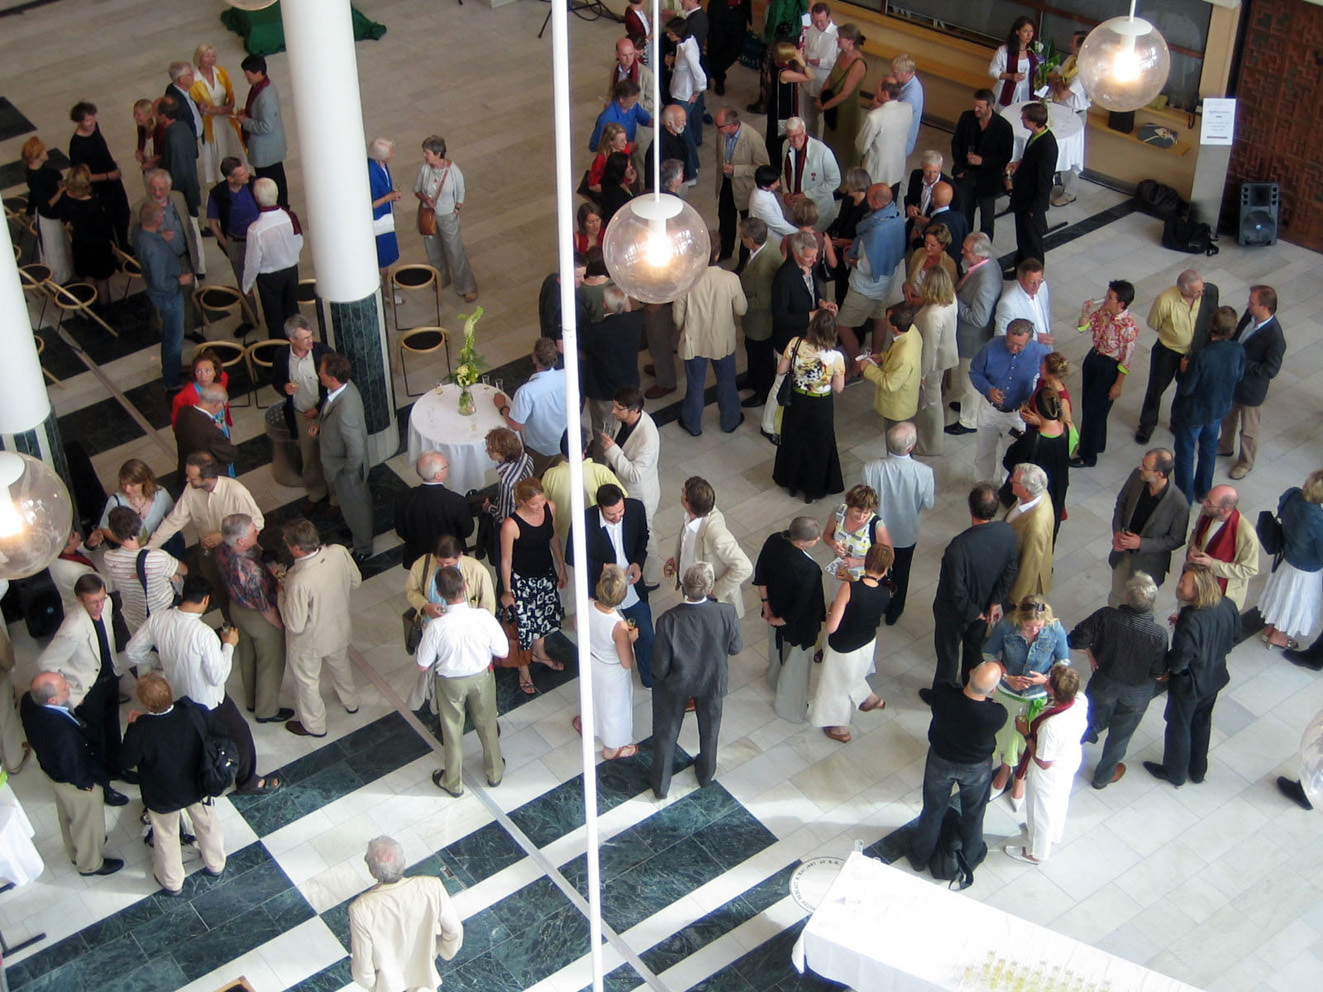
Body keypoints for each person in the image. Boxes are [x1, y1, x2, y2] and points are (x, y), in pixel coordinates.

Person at [126, 574, 278, 796]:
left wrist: (157, 662)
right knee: (241, 734)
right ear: (206, 600)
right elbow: (217, 677)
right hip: (209, 702)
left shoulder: (158, 619)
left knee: (194, 742)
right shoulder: (203, 634)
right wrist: (228, 645)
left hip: (177, 697)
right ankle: (247, 781)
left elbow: (132, 651)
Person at [121, 672, 228, 894]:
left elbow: (126, 760)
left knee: (166, 835)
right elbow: (218, 732)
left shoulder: (141, 729)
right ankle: (216, 863)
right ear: (170, 692)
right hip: (199, 783)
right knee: (207, 823)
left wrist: (131, 726)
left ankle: (172, 881)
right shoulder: (194, 712)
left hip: (163, 794)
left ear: (145, 702)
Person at [650, 563, 743, 798]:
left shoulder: (667, 620)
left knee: (666, 734)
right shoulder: (726, 613)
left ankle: (661, 786)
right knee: (710, 731)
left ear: (683, 585)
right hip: (712, 681)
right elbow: (735, 648)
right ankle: (705, 775)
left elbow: (660, 666)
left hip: (676, 684)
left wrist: (656, 680)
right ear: (710, 587)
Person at [907, 661, 1007, 876]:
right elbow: (994, 706)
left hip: (940, 761)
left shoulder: (943, 694)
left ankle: (919, 856)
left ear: (970, 672)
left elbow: (945, 682)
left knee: (933, 810)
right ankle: (971, 855)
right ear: (992, 690)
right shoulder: (996, 714)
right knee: (974, 812)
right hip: (976, 768)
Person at [20, 672, 125, 876]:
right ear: (52, 699)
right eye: (64, 687)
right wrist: (87, 785)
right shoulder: (62, 733)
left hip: (54, 773)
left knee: (68, 816)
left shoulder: (29, 701)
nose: (69, 686)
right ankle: (90, 864)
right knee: (87, 823)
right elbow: (73, 765)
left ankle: (75, 851)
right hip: (76, 782)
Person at [1071, 571, 1169, 789]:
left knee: (1083, 723)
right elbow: (1158, 671)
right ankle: (1103, 776)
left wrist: (1090, 652)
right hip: (1137, 695)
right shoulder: (1158, 634)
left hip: (1104, 684)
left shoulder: (1107, 616)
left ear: (1127, 598)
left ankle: (1064, 759)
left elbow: (1075, 639)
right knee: (1120, 737)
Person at [1144, 564, 1239, 787]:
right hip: (1214, 677)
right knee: (1202, 721)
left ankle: (1174, 772)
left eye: (1183, 584)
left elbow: (1179, 660)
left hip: (1189, 685)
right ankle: (1198, 770)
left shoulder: (1191, 620)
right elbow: (1233, 637)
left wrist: (1168, 669)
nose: (1178, 586)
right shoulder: (1227, 605)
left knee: (1179, 725)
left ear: (1197, 590)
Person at [416, 566, 507, 796]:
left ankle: (453, 782)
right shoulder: (483, 617)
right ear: (465, 586)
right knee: (487, 724)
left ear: (439, 592)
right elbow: (503, 651)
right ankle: (494, 771)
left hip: (450, 683)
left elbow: (422, 664)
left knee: (452, 730)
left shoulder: (436, 626)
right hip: (482, 677)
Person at [37, 574, 129, 794]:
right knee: (96, 741)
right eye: (93, 602)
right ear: (80, 600)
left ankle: (117, 769)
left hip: (109, 678)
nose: (99, 606)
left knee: (113, 728)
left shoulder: (105, 606)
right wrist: (71, 693)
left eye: (102, 599)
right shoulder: (72, 628)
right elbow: (46, 664)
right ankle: (104, 786)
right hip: (88, 691)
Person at [925, 485, 1018, 703]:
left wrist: (972, 612)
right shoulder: (1006, 532)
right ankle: (971, 688)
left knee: (948, 655)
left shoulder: (958, 547)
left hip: (955, 613)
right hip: (986, 607)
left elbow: (955, 589)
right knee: (974, 649)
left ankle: (943, 696)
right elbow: (1010, 569)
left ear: (970, 509)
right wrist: (995, 602)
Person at [149, 452, 265, 621]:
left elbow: (258, 521)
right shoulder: (191, 490)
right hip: (209, 553)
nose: (187, 480)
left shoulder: (235, 491)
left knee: (243, 592)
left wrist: (224, 536)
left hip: (237, 554)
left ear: (208, 477)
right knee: (219, 591)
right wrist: (149, 548)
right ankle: (231, 624)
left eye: (192, 478)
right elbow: (174, 520)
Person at [983, 594, 1070, 811]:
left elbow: (1063, 659)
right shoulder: (1006, 626)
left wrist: (1047, 679)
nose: (1034, 632)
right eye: (1028, 627)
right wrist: (1006, 677)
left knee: (1026, 739)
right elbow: (989, 652)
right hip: (1008, 692)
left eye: (1038, 626)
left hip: (1036, 696)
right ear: (1019, 619)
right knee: (1006, 736)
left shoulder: (1055, 629)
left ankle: (1019, 777)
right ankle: (1004, 771)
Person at [279, 519, 362, 738]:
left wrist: (281, 594)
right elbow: (356, 581)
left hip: (309, 642)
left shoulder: (298, 580)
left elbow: (294, 624)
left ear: (297, 548)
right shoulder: (338, 552)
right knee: (341, 665)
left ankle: (314, 726)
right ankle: (350, 701)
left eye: (286, 543)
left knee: (307, 682)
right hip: (338, 627)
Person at [350, 837, 464, 992]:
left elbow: (363, 966)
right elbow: (454, 930)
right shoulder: (431, 887)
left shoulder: (361, 909)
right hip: (425, 980)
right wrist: (444, 951)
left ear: (372, 871)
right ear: (403, 862)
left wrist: (374, 985)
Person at [1004, 664, 1089, 864]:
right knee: (1059, 802)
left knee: (1039, 811)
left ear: (1053, 690)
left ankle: (1036, 852)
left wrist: (1025, 732)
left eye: (1049, 679)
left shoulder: (1051, 726)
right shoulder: (1080, 700)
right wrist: (1048, 684)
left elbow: (1043, 761)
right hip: (1069, 759)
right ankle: (1053, 835)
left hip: (1048, 774)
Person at [571, 485, 654, 687]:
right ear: (600, 508)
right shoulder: (584, 522)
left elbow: (643, 539)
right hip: (604, 592)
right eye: (611, 514)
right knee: (606, 635)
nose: (617, 517)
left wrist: (638, 563)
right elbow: (572, 556)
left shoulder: (636, 509)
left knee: (647, 635)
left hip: (631, 586)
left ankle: (650, 677)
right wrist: (602, 567)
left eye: (620, 511)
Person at [809, 543, 892, 742]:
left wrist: (831, 608)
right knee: (853, 674)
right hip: (866, 642)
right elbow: (866, 596)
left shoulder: (849, 588)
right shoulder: (885, 590)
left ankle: (840, 729)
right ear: (886, 568)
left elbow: (831, 627)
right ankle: (869, 699)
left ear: (867, 562)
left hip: (843, 645)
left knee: (835, 686)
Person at [215, 513, 292, 725]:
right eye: (253, 531)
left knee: (247, 655)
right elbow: (265, 607)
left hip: (237, 609)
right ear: (240, 541)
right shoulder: (252, 571)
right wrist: (280, 625)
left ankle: (251, 700)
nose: (258, 531)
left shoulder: (222, 549)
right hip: (259, 617)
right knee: (270, 662)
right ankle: (266, 710)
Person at [499, 479, 568, 695]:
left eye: (541, 501)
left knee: (545, 620)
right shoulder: (511, 525)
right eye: (534, 504)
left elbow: (553, 537)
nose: (540, 507)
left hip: (545, 574)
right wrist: (508, 591)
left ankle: (540, 653)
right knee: (524, 628)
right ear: (521, 501)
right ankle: (524, 670)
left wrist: (561, 567)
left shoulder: (550, 508)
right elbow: (506, 561)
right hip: (522, 582)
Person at [861, 423, 934, 625]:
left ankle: (874, 606)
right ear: (910, 447)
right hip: (906, 534)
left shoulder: (871, 468)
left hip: (877, 533)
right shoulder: (924, 472)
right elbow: (928, 502)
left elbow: (866, 501)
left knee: (875, 568)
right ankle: (894, 610)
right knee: (902, 572)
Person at [755, 516, 826, 723]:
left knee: (776, 651)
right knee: (796, 668)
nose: (818, 540)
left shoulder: (774, 540)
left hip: (773, 610)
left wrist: (767, 606)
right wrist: (782, 620)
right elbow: (803, 605)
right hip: (797, 627)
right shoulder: (809, 570)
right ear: (802, 543)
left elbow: (761, 574)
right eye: (815, 538)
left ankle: (773, 680)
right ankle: (790, 709)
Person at [675, 237, 749, 435]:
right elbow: (742, 309)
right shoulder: (731, 279)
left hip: (694, 341)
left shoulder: (686, 280)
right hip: (722, 341)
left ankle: (692, 424)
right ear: (717, 254)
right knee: (726, 382)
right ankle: (730, 420)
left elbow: (677, 318)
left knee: (695, 385)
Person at [1136, 269, 1220, 444]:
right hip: (1168, 351)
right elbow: (1154, 323)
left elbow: (1213, 316)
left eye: (1201, 288)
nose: (1201, 293)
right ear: (1184, 290)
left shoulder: (1210, 292)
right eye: (1196, 291)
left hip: (1195, 352)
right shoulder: (1165, 300)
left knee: (1186, 389)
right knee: (1156, 389)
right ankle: (1147, 425)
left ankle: (1177, 422)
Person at [1172, 307, 1245, 502]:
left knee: (1186, 452)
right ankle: (1203, 491)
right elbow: (1239, 375)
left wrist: (1183, 371)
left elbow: (1187, 388)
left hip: (1195, 413)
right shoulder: (1238, 350)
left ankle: (1184, 497)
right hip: (1219, 409)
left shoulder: (1202, 355)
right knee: (1208, 449)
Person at [772, 310, 845, 503]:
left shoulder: (795, 343)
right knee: (819, 445)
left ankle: (792, 484)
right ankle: (813, 490)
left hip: (797, 400)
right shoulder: (835, 356)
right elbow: (839, 388)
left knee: (794, 441)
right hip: (820, 404)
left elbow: (781, 370)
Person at [967, 319, 1050, 485]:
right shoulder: (991, 347)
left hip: (1018, 414)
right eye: (1010, 342)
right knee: (985, 450)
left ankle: (1007, 487)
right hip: (990, 409)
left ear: (1029, 340)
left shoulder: (1040, 353)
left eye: (1019, 345)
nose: (1013, 348)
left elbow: (1047, 382)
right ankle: (983, 485)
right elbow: (975, 371)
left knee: (1012, 454)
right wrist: (988, 389)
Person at [1108, 448, 1191, 605]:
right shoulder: (1137, 477)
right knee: (1117, 596)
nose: (1140, 468)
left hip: (1148, 565)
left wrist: (1141, 543)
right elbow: (1122, 503)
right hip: (1123, 555)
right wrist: (1118, 532)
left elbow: (1176, 539)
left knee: (1140, 606)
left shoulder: (1178, 503)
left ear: (1159, 474)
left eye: (1145, 467)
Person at [573, 565, 639, 759]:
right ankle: (612, 748)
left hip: (590, 661)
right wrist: (630, 638)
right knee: (613, 708)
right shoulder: (618, 625)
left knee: (592, 698)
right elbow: (626, 662)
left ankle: (586, 725)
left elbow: (577, 627)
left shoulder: (587, 604)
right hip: (611, 673)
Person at [1220, 285, 1286, 480]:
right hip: (1234, 381)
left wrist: (1242, 362)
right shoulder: (1249, 317)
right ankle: (1224, 445)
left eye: (1252, 302)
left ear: (1265, 307)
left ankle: (1245, 462)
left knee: (1249, 429)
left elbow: (1270, 370)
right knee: (1227, 416)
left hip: (1251, 389)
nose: (1248, 305)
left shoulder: (1275, 338)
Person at [1072, 280, 1140, 468]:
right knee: (1089, 405)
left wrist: (1118, 384)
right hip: (1094, 358)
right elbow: (1082, 328)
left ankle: (1088, 454)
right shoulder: (1103, 313)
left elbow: (1126, 360)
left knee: (1095, 412)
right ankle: (1097, 443)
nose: (1106, 299)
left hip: (1108, 367)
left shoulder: (1128, 327)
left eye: (1110, 297)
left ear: (1121, 304)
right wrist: (1085, 313)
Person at [316, 352, 375, 562]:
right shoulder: (345, 387)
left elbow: (355, 449)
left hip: (347, 469)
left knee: (355, 507)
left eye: (321, 372)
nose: (318, 374)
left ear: (332, 378)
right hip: (344, 466)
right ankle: (357, 532)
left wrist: (348, 470)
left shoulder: (344, 410)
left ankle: (363, 546)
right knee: (355, 504)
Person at [666, 476, 753, 617]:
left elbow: (744, 567)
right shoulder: (693, 514)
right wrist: (677, 560)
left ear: (689, 504)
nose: (682, 490)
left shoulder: (716, 534)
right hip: (689, 585)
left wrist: (715, 591)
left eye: (684, 492)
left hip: (709, 599)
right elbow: (688, 542)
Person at [272, 315, 332, 513]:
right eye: (305, 338)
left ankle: (336, 498)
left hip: (325, 412)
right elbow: (276, 380)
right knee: (309, 458)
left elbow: (335, 385)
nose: (310, 341)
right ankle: (316, 492)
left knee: (331, 456)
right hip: (301, 414)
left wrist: (320, 407)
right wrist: (284, 387)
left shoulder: (323, 353)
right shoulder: (282, 356)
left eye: (311, 335)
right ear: (292, 339)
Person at [946, 232, 1003, 435]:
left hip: (973, 341)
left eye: (966, 250)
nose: (962, 251)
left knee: (969, 381)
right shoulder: (987, 264)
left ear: (979, 255)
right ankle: (965, 405)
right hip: (972, 338)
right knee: (966, 381)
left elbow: (979, 318)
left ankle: (968, 421)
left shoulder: (985, 281)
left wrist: (955, 300)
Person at [1259, 471, 1323, 651]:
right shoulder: (1318, 520)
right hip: (1306, 569)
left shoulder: (1293, 495)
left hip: (1287, 557)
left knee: (1281, 595)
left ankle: (1270, 628)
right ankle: (1278, 636)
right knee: (1294, 601)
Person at [134, 200, 194, 391]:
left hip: (161, 293)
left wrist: (160, 235)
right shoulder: (154, 250)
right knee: (173, 339)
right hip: (168, 295)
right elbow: (160, 281)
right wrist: (180, 280)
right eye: (161, 216)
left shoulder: (139, 232)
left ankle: (172, 368)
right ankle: (172, 380)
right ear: (158, 221)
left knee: (170, 336)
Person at [100, 506, 186, 635]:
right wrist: (171, 571)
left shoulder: (109, 558)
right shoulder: (157, 557)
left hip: (135, 620)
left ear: (113, 532)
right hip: (165, 616)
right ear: (138, 526)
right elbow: (184, 570)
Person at [413, 134, 478, 303]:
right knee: (433, 251)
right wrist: (426, 199)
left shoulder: (452, 171)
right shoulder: (424, 170)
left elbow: (461, 191)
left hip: (448, 216)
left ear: (438, 153)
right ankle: (441, 279)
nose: (424, 156)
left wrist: (457, 208)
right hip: (429, 216)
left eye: (427, 153)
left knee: (455, 251)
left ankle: (466, 286)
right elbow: (417, 189)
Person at [494, 338, 568, 477]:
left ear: (534, 358)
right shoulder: (566, 375)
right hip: (564, 441)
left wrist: (502, 407)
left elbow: (516, 424)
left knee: (533, 479)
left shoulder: (526, 392)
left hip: (540, 447)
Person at [541, 429, 627, 543]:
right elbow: (623, 498)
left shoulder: (550, 476)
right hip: (599, 533)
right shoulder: (601, 471)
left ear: (562, 451)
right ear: (585, 449)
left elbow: (543, 507)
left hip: (565, 535)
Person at [243, 177, 303, 337]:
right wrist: (290, 255)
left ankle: (279, 350)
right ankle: (298, 342)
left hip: (268, 277)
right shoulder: (290, 216)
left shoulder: (256, 229)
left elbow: (252, 261)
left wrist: (247, 284)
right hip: (291, 270)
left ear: (257, 198)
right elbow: (299, 242)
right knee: (292, 310)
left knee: (274, 316)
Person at [67, 101, 131, 250]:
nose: (92, 122)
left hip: (113, 179)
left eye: (93, 117)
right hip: (101, 187)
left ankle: (125, 244)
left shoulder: (95, 128)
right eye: (88, 120)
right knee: (109, 220)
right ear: (78, 122)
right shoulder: (76, 146)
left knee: (123, 213)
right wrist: (108, 176)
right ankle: (116, 250)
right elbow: (84, 177)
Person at [951, 89, 1014, 237]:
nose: (976, 109)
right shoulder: (967, 118)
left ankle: (983, 249)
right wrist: (959, 167)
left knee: (987, 218)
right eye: (975, 105)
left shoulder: (1003, 127)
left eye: (980, 107)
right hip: (966, 175)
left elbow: (1005, 156)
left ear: (990, 106)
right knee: (964, 212)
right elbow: (956, 143)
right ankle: (964, 243)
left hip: (988, 179)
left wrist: (983, 161)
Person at [395, 452, 474, 570]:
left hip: (418, 557)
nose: (448, 465)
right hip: (450, 557)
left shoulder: (404, 498)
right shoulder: (456, 501)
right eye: (445, 466)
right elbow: (467, 530)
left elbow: (401, 530)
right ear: (438, 475)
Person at [1185, 486, 1260, 610]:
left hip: (1219, 592)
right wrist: (1192, 547)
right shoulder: (1207, 511)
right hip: (1196, 580)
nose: (1204, 503)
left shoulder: (1246, 535)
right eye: (1206, 499)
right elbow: (1196, 532)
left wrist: (1212, 564)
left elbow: (1249, 569)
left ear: (1225, 510)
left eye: (1210, 502)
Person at [91, 460, 182, 559]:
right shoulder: (115, 501)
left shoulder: (161, 494)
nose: (127, 489)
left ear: (143, 481)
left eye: (132, 485)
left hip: (159, 546)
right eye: (124, 484)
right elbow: (105, 528)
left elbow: (173, 517)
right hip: (132, 553)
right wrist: (128, 543)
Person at [207, 157, 260, 326]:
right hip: (237, 242)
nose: (247, 175)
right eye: (242, 174)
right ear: (230, 178)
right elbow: (213, 224)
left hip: (258, 240)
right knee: (245, 284)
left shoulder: (253, 184)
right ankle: (250, 319)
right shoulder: (218, 194)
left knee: (268, 280)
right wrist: (226, 245)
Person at [713, 107, 770, 263]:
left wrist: (737, 169)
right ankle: (725, 251)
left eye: (719, 126)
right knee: (725, 220)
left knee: (747, 228)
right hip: (726, 183)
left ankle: (744, 262)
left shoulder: (753, 138)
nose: (717, 130)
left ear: (731, 125)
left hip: (745, 189)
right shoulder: (722, 134)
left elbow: (763, 167)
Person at [912, 266, 958, 455]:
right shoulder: (951, 298)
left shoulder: (932, 315)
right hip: (945, 354)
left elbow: (929, 347)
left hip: (932, 363)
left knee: (931, 403)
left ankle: (930, 445)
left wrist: (921, 374)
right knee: (934, 400)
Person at [737, 218, 782, 406]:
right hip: (755, 321)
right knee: (751, 349)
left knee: (762, 356)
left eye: (742, 236)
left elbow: (763, 300)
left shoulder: (764, 266)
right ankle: (752, 378)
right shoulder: (766, 245)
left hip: (761, 321)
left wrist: (738, 302)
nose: (740, 238)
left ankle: (763, 392)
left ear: (751, 240)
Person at [1007, 102, 1057, 268]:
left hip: (1031, 206)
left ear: (1034, 122)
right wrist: (1020, 163)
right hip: (1023, 199)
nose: (1022, 119)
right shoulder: (1035, 136)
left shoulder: (1047, 145)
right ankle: (1019, 268)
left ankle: (1033, 274)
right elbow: (1031, 160)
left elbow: (1044, 181)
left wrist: (1035, 210)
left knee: (1032, 245)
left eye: (1025, 118)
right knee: (1022, 239)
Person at [57, 164, 115, 306]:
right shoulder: (94, 203)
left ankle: (90, 306)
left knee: (87, 277)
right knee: (102, 281)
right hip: (98, 246)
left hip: (80, 244)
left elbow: (64, 217)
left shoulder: (66, 198)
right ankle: (105, 309)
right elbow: (105, 226)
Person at [235, 54, 289, 207]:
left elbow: (266, 126)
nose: (246, 77)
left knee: (272, 184)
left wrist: (245, 121)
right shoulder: (260, 86)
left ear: (259, 72)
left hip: (267, 151)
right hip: (267, 149)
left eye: (248, 74)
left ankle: (280, 207)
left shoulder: (266, 95)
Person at [860, 303, 921, 433]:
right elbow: (895, 355)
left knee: (896, 442)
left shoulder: (904, 356)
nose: (884, 320)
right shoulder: (911, 331)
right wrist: (883, 357)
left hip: (898, 408)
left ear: (894, 328)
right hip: (906, 399)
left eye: (886, 319)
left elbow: (890, 383)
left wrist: (868, 368)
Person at [190, 43, 245, 184]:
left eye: (213, 56)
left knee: (231, 147)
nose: (211, 59)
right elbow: (196, 103)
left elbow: (230, 91)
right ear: (199, 58)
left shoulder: (220, 72)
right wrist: (216, 110)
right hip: (211, 123)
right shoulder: (194, 80)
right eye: (207, 56)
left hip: (227, 119)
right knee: (218, 152)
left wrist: (230, 105)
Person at [481, 427, 534, 575]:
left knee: (503, 559)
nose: (487, 452)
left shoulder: (507, 482)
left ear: (503, 453)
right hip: (525, 510)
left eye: (491, 449)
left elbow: (503, 516)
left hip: (512, 521)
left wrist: (488, 507)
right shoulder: (525, 457)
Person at [22, 136, 73, 284]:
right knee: (54, 248)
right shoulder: (38, 177)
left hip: (49, 214)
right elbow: (46, 205)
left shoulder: (34, 172)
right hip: (49, 217)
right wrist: (62, 191)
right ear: (37, 156)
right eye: (43, 150)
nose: (46, 151)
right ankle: (60, 279)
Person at [1003, 464, 1056, 604]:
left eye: (1014, 481)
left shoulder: (1035, 527)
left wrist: (1016, 598)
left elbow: (1029, 566)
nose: (1010, 481)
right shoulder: (1039, 493)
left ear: (1026, 490)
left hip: (1017, 582)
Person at [818, 24, 868, 172]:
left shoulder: (858, 64)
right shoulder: (842, 55)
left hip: (846, 111)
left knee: (843, 148)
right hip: (833, 107)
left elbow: (845, 93)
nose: (837, 39)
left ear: (850, 42)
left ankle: (842, 183)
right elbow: (831, 77)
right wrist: (821, 95)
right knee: (830, 143)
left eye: (841, 37)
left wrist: (825, 106)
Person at [156, 96, 201, 248]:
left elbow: (175, 169)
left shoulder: (172, 137)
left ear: (163, 116)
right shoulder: (184, 127)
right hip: (191, 182)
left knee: (188, 230)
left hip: (181, 190)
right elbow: (195, 152)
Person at [780, 117, 840, 231]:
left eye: (798, 135)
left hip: (817, 208)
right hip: (794, 206)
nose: (795, 140)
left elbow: (835, 181)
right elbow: (784, 172)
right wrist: (786, 192)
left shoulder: (822, 151)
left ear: (804, 131)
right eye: (791, 136)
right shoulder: (785, 145)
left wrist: (807, 194)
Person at [665, 17, 705, 181]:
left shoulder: (688, 51)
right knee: (689, 129)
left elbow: (700, 76)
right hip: (681, 90)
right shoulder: (688, 43)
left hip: (683, 95)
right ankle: (694, 160)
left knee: (683, 132)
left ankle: (692, 168)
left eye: (671, 33)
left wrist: (696, 93)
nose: (668, 35)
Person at [823, 485, 892, 582]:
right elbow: (827, 534)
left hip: (865, 579)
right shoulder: (839, 512)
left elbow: (888, 557)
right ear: (849, 506)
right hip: (841, 572)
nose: (861, 516)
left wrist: (858, 562)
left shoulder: (876, 525)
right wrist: (833, 544)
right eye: (858, 511)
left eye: (866, 512)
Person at [855, 78, 912, 194]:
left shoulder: (874, 117)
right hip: (897, 168)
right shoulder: (907, 108)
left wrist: (877, 109)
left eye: (877, 89)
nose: (875, 92)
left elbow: (861, 145)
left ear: (885, 94)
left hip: (877, 173)